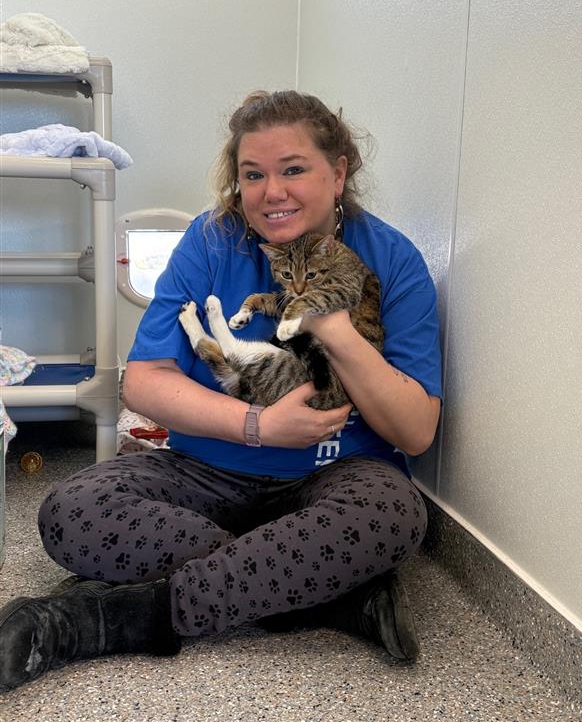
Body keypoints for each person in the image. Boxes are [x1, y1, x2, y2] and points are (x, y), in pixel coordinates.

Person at [0, 90, 442, 692]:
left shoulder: (392, 259)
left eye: (293, 170)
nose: (271, 192)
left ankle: (103, 619)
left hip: (340, 474)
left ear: (338, 174)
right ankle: (324, 598)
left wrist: (332, 326)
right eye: (252, 174)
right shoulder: (211, 241)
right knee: (70, 512)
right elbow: (145, 382)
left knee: (391, 517)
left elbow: (415, 431)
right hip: (206, 470)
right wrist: (255, 427)